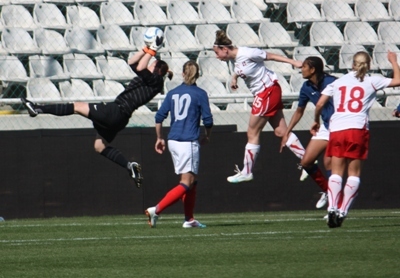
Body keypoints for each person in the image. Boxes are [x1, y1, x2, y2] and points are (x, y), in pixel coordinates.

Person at [21, 41, 171, 189]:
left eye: (153, 63)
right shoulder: (149, 78)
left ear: (158, 70)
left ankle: (37, 109)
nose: (150, 63)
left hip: (116, 111)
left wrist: (152, 50)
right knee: (99, 146)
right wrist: (146, 49)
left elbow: (141, 66)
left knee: (77, 106)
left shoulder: (156, 80)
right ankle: (129, 166)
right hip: (120, 118)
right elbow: (132, 62)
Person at [311, 51, 400, 228]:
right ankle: (343, 211)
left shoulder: (338, 82)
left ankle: (332, 208)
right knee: (354, 174)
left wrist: (315, 121)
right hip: (357, 129)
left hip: (337, 129)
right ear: (369, 65)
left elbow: (320, 103)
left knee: (336, 172)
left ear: (352, 64)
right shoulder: (372, 80)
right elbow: (398, 81)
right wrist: (393, 61)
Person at [212, 29, 306, 183]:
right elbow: (240, 69)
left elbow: (271, 56)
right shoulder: (235, 61)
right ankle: (307, 160)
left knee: (252, 132)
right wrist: (234, 78)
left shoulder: (248, 53)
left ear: (225, 49)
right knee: (281, 131)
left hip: (267, 91)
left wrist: (293, 62)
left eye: (217, 53)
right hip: (266, 93)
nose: (217, 57)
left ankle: (247, 171)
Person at [145, 61, 213, 228]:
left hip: (173, 140)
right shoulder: (200, 93)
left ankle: (189, 219)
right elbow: (208, 120)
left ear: (183, 74)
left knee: (192, 181)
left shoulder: (173, 93)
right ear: (198, 75)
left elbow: (159, 117)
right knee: (186, 182)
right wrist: (208, 135)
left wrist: (159, 137)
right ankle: (157, 210)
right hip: (188, 141)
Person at [280, 57, 336, 209]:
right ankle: (328, 191)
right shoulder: (306, 87)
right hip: (325, 126)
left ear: (312, 70)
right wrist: (287, 133)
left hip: (339, 126)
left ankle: (335, 204)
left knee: (329, 162)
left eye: (304, 67)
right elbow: (299, 112)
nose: (301, 69)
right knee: (306, 162)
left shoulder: (332, 82)